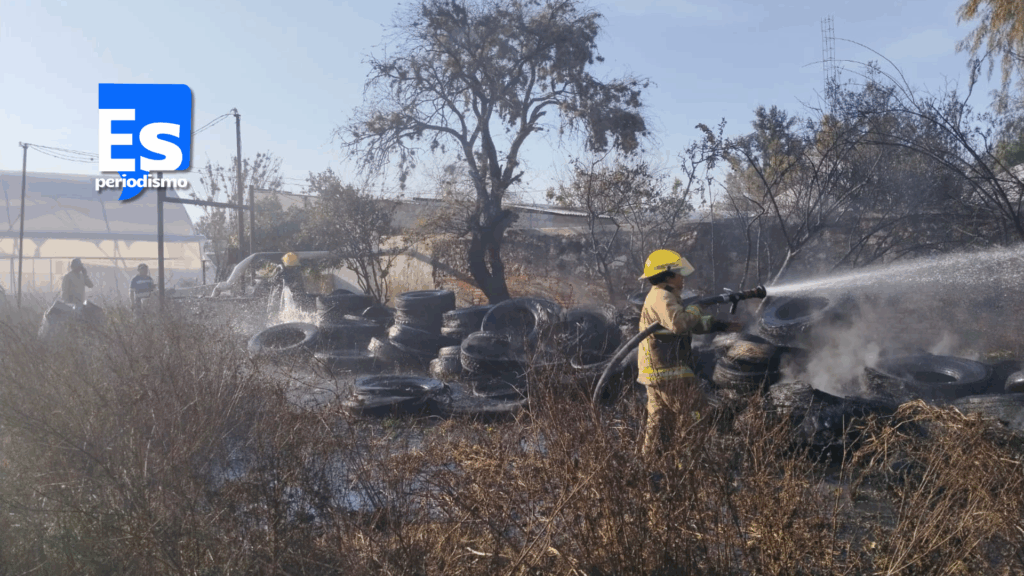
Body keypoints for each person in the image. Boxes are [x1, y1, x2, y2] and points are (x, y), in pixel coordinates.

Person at [636, 249, 736, 458]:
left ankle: (648, 465)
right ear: (668, 275)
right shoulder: (661, 296)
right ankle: (688, 464)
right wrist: (696, 308)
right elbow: (680, 323)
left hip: (657, 372)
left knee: (659, 422)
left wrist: (721, 325)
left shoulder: (663, 297)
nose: (683, 278)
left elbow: (690, 325)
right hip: (669, 371)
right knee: (694, 415)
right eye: (679, 273)